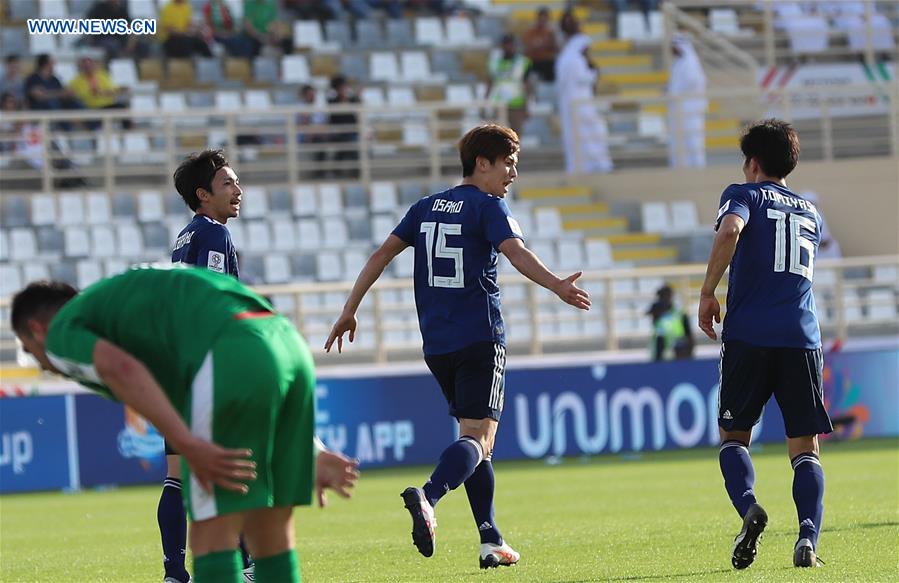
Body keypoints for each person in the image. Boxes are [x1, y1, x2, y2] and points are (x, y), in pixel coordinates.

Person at [325, 123, 590, 568]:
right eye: (508, 164)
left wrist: (350, 308)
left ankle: (490, 538)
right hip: (481, 337)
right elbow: (516, 252)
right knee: (480, 438)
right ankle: (428, 497)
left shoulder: (425, 207)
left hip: (438, 343)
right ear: (481, 163)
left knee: (472, 439)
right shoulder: (489, 207)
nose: (512, 174)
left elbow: (380, 256)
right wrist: (556, 285)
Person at [10, 267, 360, 583]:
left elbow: (122, 370)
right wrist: (312, 448)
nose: (40, 363)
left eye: (28, 348)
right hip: (286, 343)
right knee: (271, 535)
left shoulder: (62, 330)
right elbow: (252, 355)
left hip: (229, 351)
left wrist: (188, 445)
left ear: (37, 330)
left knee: (212, 537)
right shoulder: (126, 310)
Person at [698, 119, 833, 570]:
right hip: (801, 337)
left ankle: (749, 507)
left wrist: (706, 291)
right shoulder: (811, 211)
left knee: (734, 438)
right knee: (805, 447)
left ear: (752, 163)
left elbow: (731, 231)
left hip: (749, 335)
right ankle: (808, 538)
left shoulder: (744, 193)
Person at [166, 150, 246, 581]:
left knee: (177, 476)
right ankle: (249, 566)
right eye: (228, 184)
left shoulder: (185, 236)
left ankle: (175, 572)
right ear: (203, 195)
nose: (238, 190)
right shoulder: (214, 234)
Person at [555, 34, 613, 174]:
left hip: (570, 103)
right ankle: (595, 164)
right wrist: (593, 74)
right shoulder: (576, 60)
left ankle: (580, 165)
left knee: (576, 136)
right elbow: (582, 78)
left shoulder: (564, 59)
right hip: (581, 103)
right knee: (590, 134)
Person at [667, 34, 707, 169]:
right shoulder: (679, 63)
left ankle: (698, 167)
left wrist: (676, 92)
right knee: (679, 141)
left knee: (693, 140)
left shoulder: (691, 62)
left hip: (690, 109)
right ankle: (681, 167)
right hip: (679, 109)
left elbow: (692, 82)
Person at [486, 34, 533, 136]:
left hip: (516, 104)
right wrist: (486, 102)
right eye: (506, 44)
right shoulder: (494, 62)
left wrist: (527, 105)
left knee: (515, 136)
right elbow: (490, 82)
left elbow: (527, 85)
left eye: (510, 44)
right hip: (498, 103)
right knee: (497, 136)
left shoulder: (522, 62)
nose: (508, 47)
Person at [647, 284, 694, 361]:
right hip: (660, 356)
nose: (661, 300)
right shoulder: (657, 312)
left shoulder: (680, 315)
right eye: (660, 297)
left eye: (663, 296)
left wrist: (690, 355)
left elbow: (689, 336)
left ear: (670, 297)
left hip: (679, 355)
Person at [522, 7, 559, 82]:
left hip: (547, 61)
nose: (542, 20)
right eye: (541, 18)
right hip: (533, 60)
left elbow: (554, 46)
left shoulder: (551, 32)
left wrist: (540, 45)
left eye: (544, 18)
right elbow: (528, 47)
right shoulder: (531, 32)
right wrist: (544, 44)